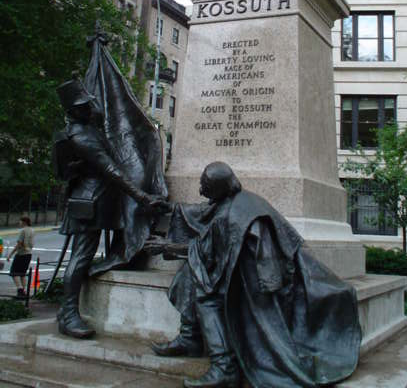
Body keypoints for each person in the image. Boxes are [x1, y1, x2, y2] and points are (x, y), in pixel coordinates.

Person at [147, 162, 361, 388]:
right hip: (249, 269)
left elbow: (211, 252)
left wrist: (167, 248)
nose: (200, 191)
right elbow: (202, 222)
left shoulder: (232, 215)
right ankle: (190, 338)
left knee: (206, 296)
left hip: (260, 280)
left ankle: (224, 367)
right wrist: (168, 209)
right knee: (192, 272)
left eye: (204, 186)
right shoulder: (233, 201)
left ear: (220, 188)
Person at [53, 77, 165, 338]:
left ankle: (67, 311)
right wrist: (142, 197)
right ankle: (68, 314)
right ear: (72, 111)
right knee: (80, 257)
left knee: (81, 256)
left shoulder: (87, 127)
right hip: (89, 201)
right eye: (82, 105)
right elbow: (111, 170)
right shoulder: (80, 136)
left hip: (97, 198)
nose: (88, 107)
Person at [7, 216, 34, 298]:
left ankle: (20, 290)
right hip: (28, 254)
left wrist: (10, 254)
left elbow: (19, 244)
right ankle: (24, 291)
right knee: (22, 274)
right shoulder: (32, 230)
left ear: (24, 222)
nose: (19, 223)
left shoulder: (23, 231)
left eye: (20, 221)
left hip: (21, 254)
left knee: (14, 272)